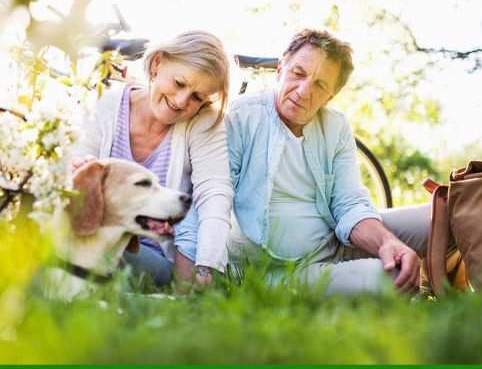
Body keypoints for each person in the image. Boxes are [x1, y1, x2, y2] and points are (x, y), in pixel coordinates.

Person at [175, 29, 431, 295]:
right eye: (298, 73)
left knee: (440, 217)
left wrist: (387, 242)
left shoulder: (336, 127)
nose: (304, 91)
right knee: (392, 279)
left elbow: (349, 203)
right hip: (288, 272)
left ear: (330, 96)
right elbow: (210, 200)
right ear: (280, 68)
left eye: (320, 85)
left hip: (336, 240)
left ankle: (462, 280)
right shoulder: (241, 117)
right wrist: (200, 272)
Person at [74, 31, 233, 287]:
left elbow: (215, 194)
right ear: (157, 63)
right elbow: (75, 176)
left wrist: (207, 265)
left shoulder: (203, 124)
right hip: (90, 239)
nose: (182, 101)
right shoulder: (106, 104)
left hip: (149, 256)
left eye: (197, 98)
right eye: (180, 83)